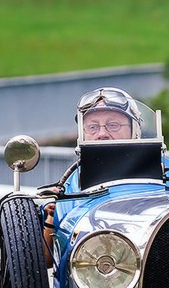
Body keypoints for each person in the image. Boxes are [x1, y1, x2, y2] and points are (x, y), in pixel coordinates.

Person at [41, 86, 144, 263]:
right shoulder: (73, 181)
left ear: (134, 129)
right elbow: (48, 259)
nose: (102, 134)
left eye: (113, 125)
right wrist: (51, 214)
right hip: (90, 267)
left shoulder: (166, 169)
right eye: (92, 127)